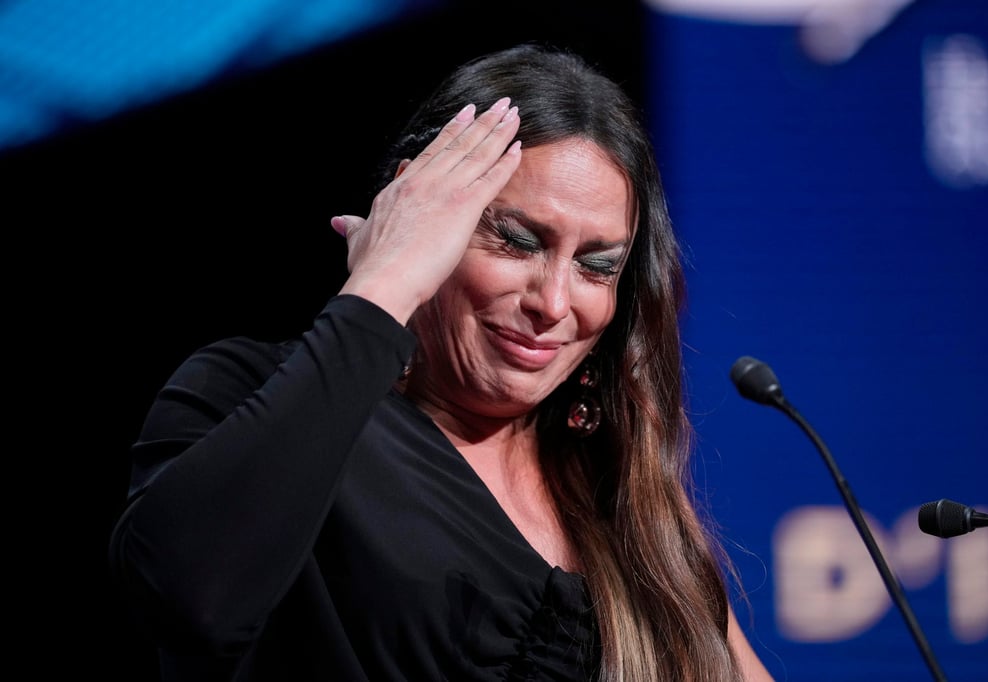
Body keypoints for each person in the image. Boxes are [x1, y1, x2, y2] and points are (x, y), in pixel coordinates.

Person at [108, 43, 775, 681]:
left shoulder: (618, 482)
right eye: (516, 241)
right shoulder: (246, 391)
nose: (554, 301)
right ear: (418, 208)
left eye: (596, 266)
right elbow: (188, 597)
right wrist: (384, 281)